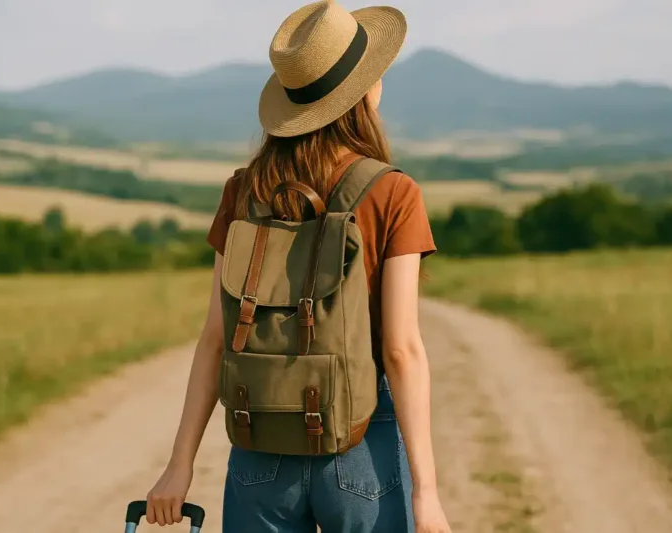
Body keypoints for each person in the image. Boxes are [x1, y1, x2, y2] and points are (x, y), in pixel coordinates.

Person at [145, 1, 451, 531]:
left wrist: (180, 465)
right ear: (364, 93)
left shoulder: (245, 191)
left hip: (260, 440)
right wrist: (426, 494)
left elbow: (216, 338)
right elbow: (401, 350)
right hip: (360, 444)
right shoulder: (393, 193)